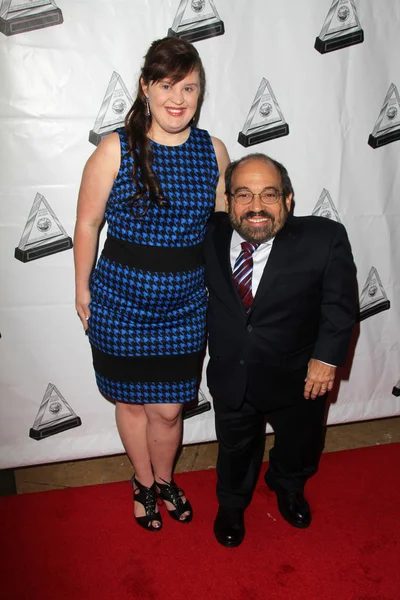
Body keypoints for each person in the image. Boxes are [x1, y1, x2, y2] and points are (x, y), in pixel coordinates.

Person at [74, 37, 229, 532]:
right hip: (119, 300)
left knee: (167, 408)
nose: (178, 97)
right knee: (132, 403)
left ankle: (165, 480)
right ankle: (142, 482)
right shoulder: (116, 148)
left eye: (189, 87)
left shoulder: (214, 151)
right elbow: (87, 225)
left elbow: (223, 230)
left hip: (186, 304)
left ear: (201, 93)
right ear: (145, 88)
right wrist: (82, 290)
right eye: (167, 84)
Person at [204, 153, 357, 547]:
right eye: (243, 195)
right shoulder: (207, 233)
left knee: (300, 442)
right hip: (232, 373)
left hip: (299, 374)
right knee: (235, 447)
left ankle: (288, 485)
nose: (256, 206)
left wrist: (326, 361)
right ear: (228, 201)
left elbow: (339, 306)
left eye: (269, 194)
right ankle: (232, 505)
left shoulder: (324, 238)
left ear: (288, 200)